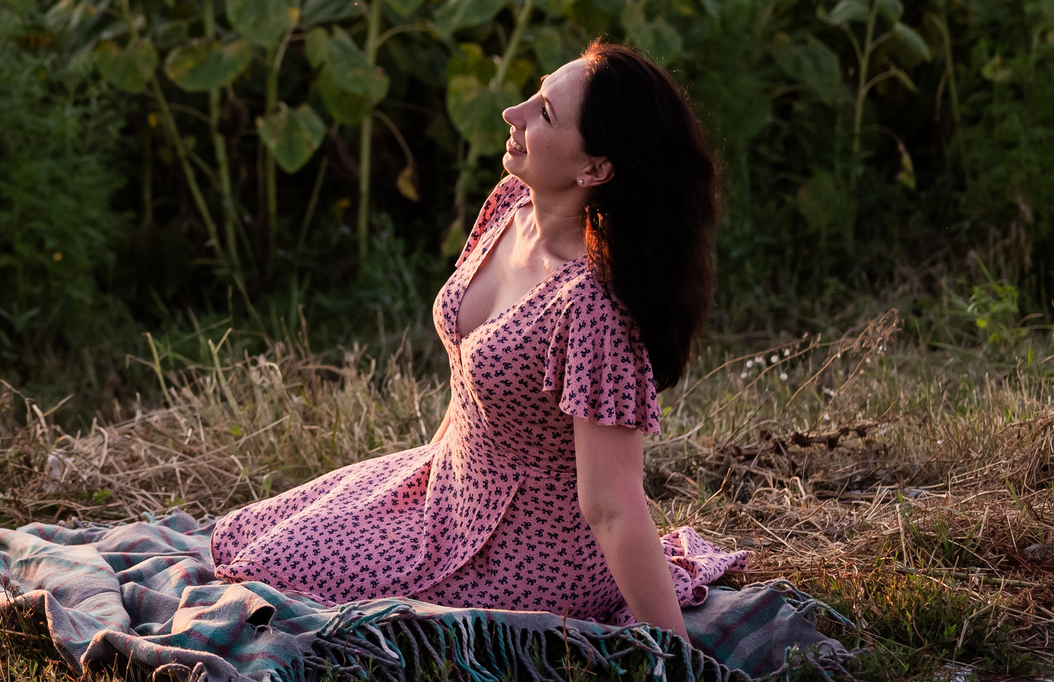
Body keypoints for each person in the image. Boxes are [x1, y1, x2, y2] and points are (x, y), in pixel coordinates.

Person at [209, 41, 746, 636]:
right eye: (535, 92)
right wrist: (403, 486)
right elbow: (471, 380)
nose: (512, 113)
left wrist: (676, 659)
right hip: (448, 484)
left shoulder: (594, 308)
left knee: (266, 577)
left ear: (594, 170)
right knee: (243, 537)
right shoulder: (512, 202)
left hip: (529, 552)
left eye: (543, 112)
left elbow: (613, 505)